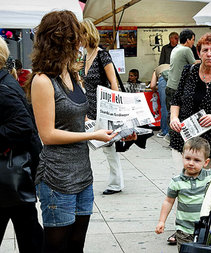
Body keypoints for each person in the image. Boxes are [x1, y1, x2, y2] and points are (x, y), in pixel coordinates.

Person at [25, 10, 118, 251]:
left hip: (82, 173)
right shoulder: (43, 80)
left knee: (77, 244)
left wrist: (116, 128)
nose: (80, 41)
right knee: (57, 247)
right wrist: (92, 135)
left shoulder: (73, 74)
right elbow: (48, 135)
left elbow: (80, 119)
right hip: (56, 177)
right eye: (75, 36)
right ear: (61, 40)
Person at [0, 36, 43, 252]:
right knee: (30, 233)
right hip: (14, 177)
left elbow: (23, 127)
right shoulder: (5, 82)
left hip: (10, 176)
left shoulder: (3, 87)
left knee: (29, 234)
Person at [81, 18, 133, 195]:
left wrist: (112, 109)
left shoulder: (102, 54)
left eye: (80, 34)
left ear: (87, 34)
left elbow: (114, 82)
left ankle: (116, 183)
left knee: (109, 147)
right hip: (89, 109)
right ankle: (84, 180)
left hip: (104, 108)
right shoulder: (84, 57)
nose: (78, 38)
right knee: (86, 146)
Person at [169, 33, 211, 170]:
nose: (209, 54)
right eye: (205, 50)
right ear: (198, 53)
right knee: (183, 182)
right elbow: (176, 99)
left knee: (207, 186)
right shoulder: (188, 71)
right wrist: (174, 118)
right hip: (184, 138)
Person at [155, 137, 211, 251]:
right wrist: (161, 221)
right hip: (184, 229)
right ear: (182, 157)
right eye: (187, 158)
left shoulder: (210, 176)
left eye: (196, 160)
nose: (191, 163)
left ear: (206, 162)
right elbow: (168, 201)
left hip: (205, 228)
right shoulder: (176, 181)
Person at [165, 29, 199, 111]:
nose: (193, 42)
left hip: (170, 86)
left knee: (171, 116)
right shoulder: (186, 50)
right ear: (188, 40)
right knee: (179, 117)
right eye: (193, 40)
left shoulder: (176, 48)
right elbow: (195, 65)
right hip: (178, 88)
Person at [150, 64, 170, 139]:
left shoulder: (156, 70)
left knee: (165, 106)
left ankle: (165, 131)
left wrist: (156, 89)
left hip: (163, 80)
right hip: (175, 79)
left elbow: (152, 85)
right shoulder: (171, 66)